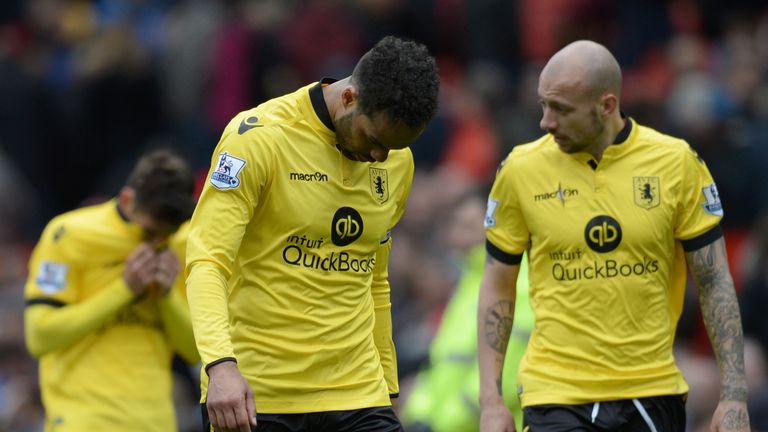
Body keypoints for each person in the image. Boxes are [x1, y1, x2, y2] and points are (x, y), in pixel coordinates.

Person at [477, 40, 750, 432]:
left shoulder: (676, 164)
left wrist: (735, 395)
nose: (546, 122)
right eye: (543, 105)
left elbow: (714, 280)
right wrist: (491, 401)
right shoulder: (520, 170)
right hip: (554, 394)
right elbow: (497, 284)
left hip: (650, 391)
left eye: (561, 109)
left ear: (606, 106)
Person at [185, 35, 439, 432]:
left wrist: (388, 381)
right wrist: (220, 366)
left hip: (357, 391)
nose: (379, 158)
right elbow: (206, 261)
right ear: (350, 97)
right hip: (257, 393)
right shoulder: (257, 138)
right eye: (373, 141)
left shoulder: (395, 162)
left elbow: (375, 277)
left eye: (393, 148)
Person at [24, 149, 200, 431]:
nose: (157, 242)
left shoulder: (181, 243)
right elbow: (40, 336)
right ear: (128, 200)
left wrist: (167, 295)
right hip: (83, 420)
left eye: (167, 233)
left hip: (155, 422)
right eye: (149, 231)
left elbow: (193, 351)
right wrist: (124, 289)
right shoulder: (69, 234)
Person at [403, 191, 535, 432]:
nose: (457, 237)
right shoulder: (468, 282)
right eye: (455, 226)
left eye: (468, 226)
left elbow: (507, 366)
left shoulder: (518, 279)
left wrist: (443, 424)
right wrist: (419, 414)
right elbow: (440, 361)